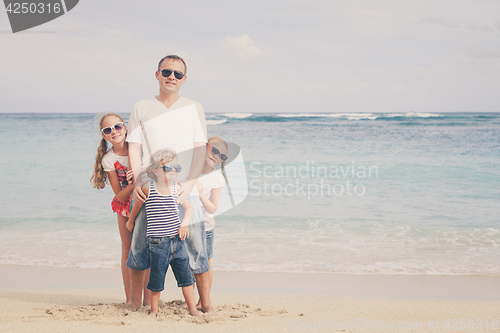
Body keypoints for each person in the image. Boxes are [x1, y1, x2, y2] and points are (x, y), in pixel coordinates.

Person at [126, 55, 214, 312]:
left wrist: (192, 181)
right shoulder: (141, 107)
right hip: (149, 188)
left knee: (197, 248)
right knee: (140, 246)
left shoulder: (194, 107)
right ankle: (134, 304)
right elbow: (134, 146)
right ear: (157, 74)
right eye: (167, 72)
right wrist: (137, 182)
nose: (171, 77)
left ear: (184, 79)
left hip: (184, 186)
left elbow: (200, 148)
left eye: (177, 74)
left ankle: (206, 304)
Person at [126, 148, 198, 317]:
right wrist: (130, 221)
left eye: (177, 168)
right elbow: (137, 206)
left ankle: (193, 309)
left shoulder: (177, 188)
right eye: (168, 168)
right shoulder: (148, 188)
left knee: (186, 278)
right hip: (157, 243)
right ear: (154, 171)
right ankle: (154, 310)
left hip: (178, 240)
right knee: (156, 278)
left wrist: (185, 224)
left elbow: (188, 209)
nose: (173, 171)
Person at [90, 113, 136, 304]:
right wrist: (134, 184)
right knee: (127, 249)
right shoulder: (109, 159)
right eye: (108, 130)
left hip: (146, 203)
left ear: (125, 127)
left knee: (146, 250)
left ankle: (148, 299)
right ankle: (130, 298)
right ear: (104, 136)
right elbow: (119, 195)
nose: (114, 132)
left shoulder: (138, 149)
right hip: (124, 206)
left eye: (117, 127)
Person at [194, 135, 228, 308]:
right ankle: (189, 301)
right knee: (187, 262)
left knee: (205, 262)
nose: (216, 155)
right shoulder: (190, 170)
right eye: (213, 149)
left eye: (221, 155)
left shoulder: (216, 178)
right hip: (187, 224)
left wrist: (200, 193)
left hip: (205, 225)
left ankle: (203, 300)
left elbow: (212, 208)